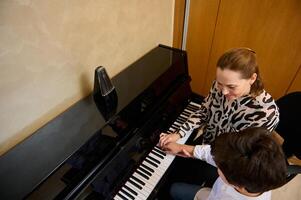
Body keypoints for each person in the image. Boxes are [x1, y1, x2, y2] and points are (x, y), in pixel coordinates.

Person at [158, 47, 280, 197]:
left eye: (231, 86)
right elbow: (204, 112)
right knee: (175, 171)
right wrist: (179, 133)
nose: (223, 92)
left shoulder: (266, 114)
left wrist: (186, 148)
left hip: (224, 165)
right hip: (205, 146)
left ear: (252, 79)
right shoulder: (220, 87)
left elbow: (237, 157)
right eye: (220, 83)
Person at [164, 127, 287, 200]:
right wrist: (181, 148)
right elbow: (213, 153)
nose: (216, 162)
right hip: (212, 195)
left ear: (235, 184)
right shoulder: (257, 173)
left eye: (219, 167)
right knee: (175, 189)